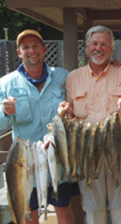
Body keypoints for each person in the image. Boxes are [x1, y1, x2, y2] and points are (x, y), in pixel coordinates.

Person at [58, 25, 121, 224]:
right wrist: (64, 113)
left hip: (119, 145)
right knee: (93, 205)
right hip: (86, 147)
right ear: (86, 47)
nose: (99, 48)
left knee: (120, 202)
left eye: (104, 44)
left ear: (111, 49)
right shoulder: (73, 78)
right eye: (94, 43)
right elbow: (69, 114)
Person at [0, 30, 82, 224]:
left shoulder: (63, 77)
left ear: (44, 49)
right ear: (19, 52)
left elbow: (84, 95)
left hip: (58, 157)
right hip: (24, 161)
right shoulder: (6, 84)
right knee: (29, 213)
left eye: (36, 45)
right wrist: (5, 112)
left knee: (63, 208)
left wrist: (112, 65)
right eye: (26, 47)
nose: (32, 51)